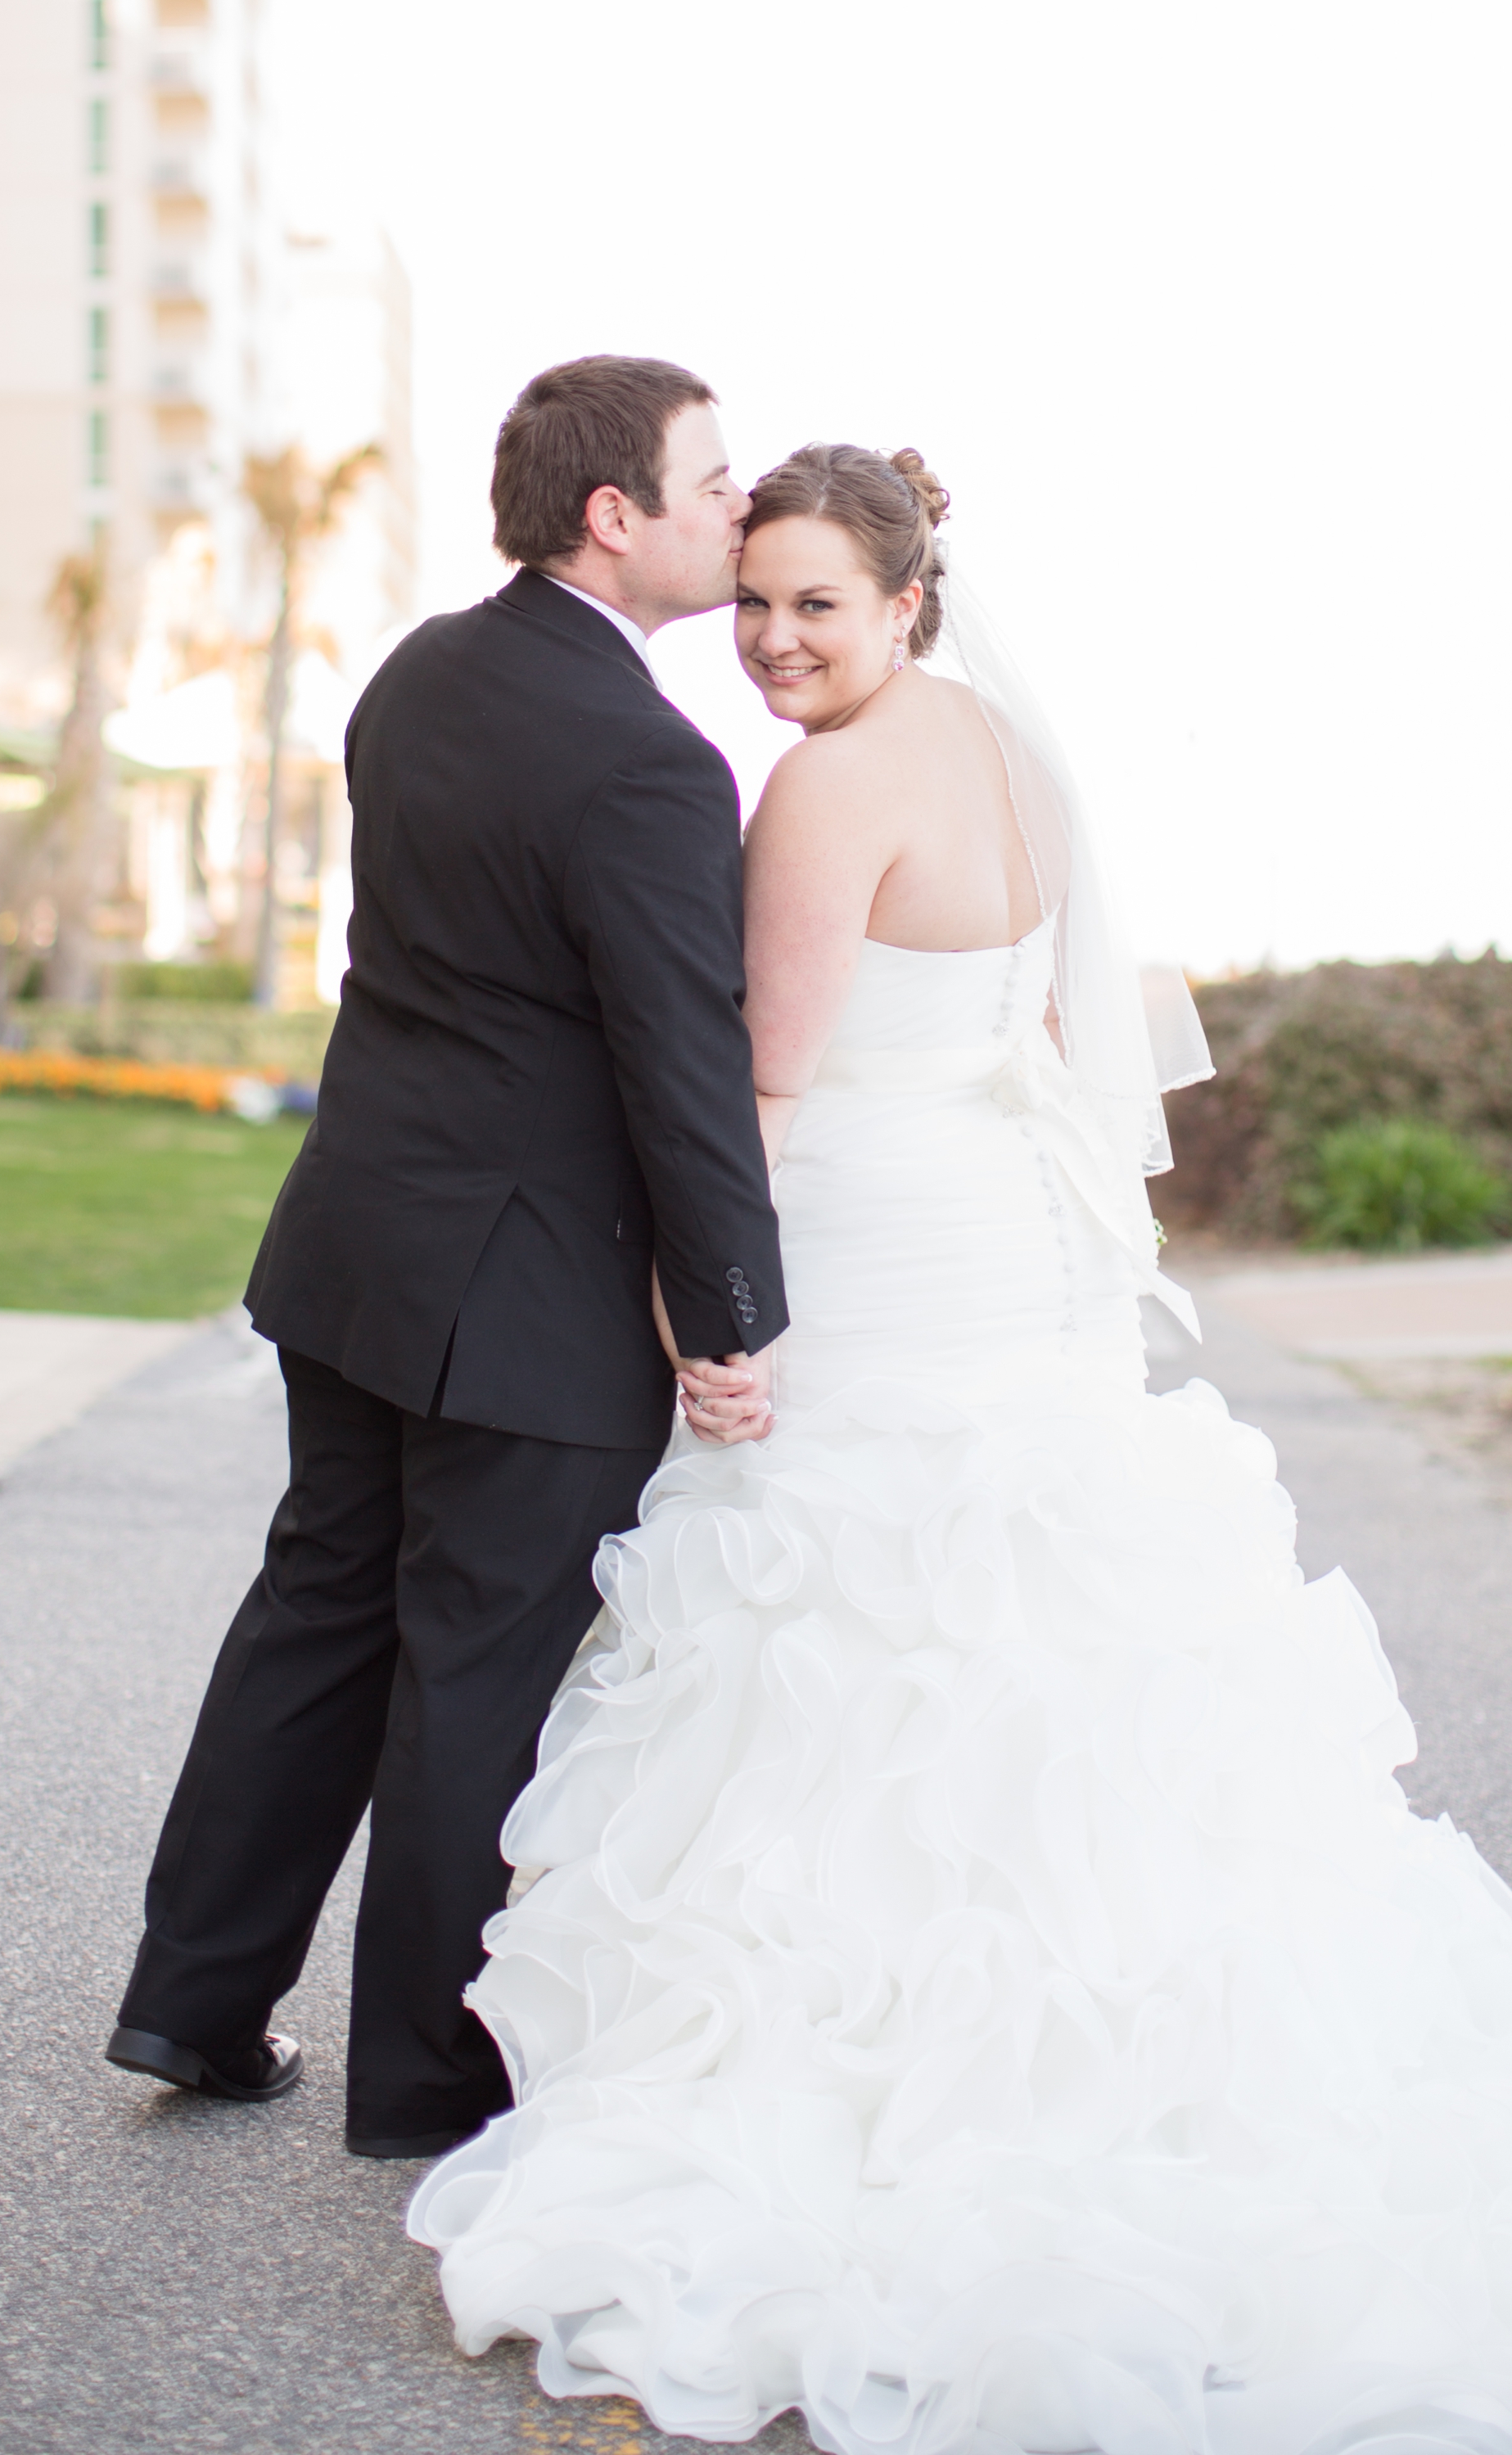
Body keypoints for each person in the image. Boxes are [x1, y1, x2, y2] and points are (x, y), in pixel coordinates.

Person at [412, 445, 1512, 2451]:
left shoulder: (828, 785)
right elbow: (1059, 1029)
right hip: (1013, 1248)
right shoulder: (1009, 749)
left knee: (847, 1620)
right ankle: (1134, 2059)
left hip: (880, 1243)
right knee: (1027, 1621)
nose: (768, 642)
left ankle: (877, 2085)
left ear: (910, 598)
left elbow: (763, 1074)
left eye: (816, 603)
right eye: (748, 602)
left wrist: (702, 1302)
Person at [104, 356, 786, 2159]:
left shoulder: (416, 676)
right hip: (531, 1294)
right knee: (473, 1669)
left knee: (317, 1618)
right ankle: (424, 2087)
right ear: (610, 515)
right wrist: (729, 1314)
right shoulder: (649, 762)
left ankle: (191, 2001)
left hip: (355, 1252)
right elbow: (682, 1064)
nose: (738, 505)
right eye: (710, 482)